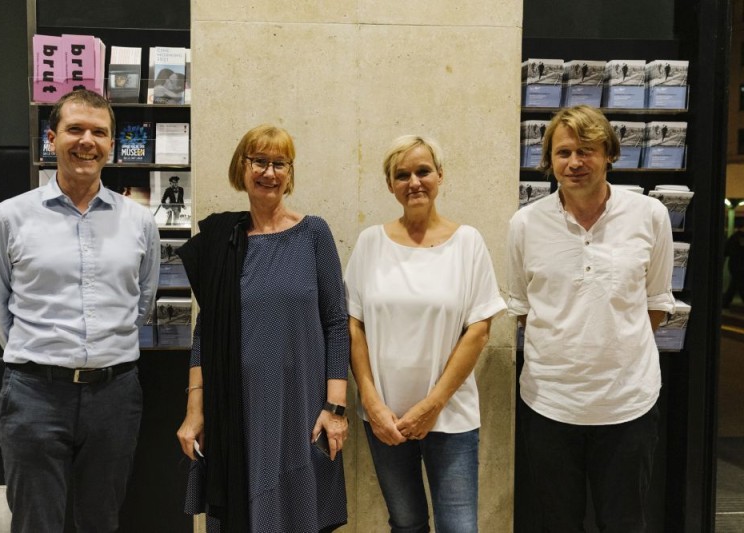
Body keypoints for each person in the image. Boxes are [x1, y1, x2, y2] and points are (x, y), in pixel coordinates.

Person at [0, 89, 160, 532]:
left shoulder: (138, 222)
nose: (87, 141)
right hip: (34, 394)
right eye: (75, 129)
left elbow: (143, 304)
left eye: (99, 132)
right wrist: (43, 354)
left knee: (101, 519)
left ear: (111, 145)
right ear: (52, 138)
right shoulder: (8, 218)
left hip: (114, 395)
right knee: (36, 522)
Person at [507, 104, 675, 532]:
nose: (575, 163)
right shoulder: (525, 224)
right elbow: (524, 309)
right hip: (549, 406)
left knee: (624, 524)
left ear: (610, 155)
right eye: (563, 153)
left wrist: (613, 344)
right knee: (556, 524)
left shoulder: (650, 216)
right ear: (549, 160)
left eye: (587, 151)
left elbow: (656, 300)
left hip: (628, 407)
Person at [175, 124, 349, 532]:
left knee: (298, 512)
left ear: (290, 173)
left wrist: (335, 409)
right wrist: (194, 412)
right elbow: (206, 332)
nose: (269, 172)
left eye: (279, 163)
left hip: (302, 405)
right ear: (243, 166)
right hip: (238, 405)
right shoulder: (223, 241)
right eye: (259, 161)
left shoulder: (314, 233)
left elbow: (337, 323)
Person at [344, 135, 507, 532]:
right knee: (406, 523)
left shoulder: (468, 243)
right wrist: (371, 401)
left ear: (440, 175)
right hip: (385, 419)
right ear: (390, 184)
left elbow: (479, 330)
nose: (414, 182)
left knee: (459, 527)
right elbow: (353, 325)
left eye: (423, 171)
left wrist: (432, 405)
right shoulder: (370, 244)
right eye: (402, 175)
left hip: (450, 416)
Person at [723, 221, 744, 308]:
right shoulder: (739, 237)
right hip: (739, 265)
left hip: (735, 265)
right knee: (738, 284)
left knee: (735, 284)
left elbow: (726, 251)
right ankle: (725, 302)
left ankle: (725, 302)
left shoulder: (734, 237)